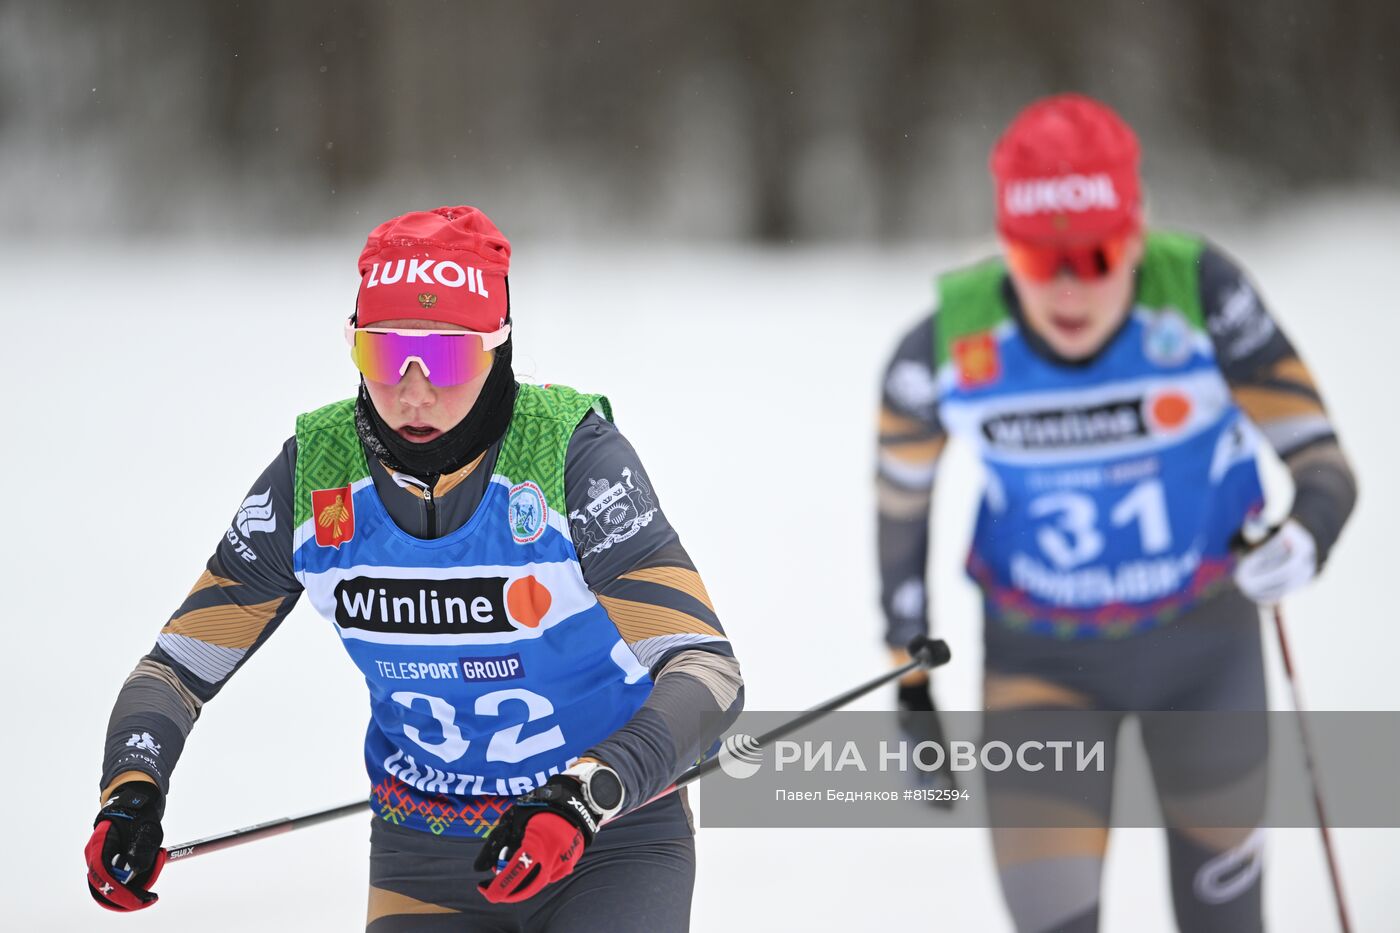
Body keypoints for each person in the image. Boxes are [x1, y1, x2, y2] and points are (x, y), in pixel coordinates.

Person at [87, 206, 744, 932]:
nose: (414, 391)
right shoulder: (315, 476)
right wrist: (131, 788)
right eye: (383, 354)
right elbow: (174, 667)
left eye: (449, 358)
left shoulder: (573, 461)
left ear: (500, 351)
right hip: (426, 855)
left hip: (607, 836)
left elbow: (707, 670)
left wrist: (587, 791)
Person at [876, 95, 1356, 932]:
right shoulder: (946, 346)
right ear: (1004, 247)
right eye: (1038, 257)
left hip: (1205, 648)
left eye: (1096, 256)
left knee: (1225, 919)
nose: (1068, 288)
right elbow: (899, 510)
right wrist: (912, 682)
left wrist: (1309, 529)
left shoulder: (1201, 293)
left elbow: (1322, 459)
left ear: (1136, 236)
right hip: (1040, 666)